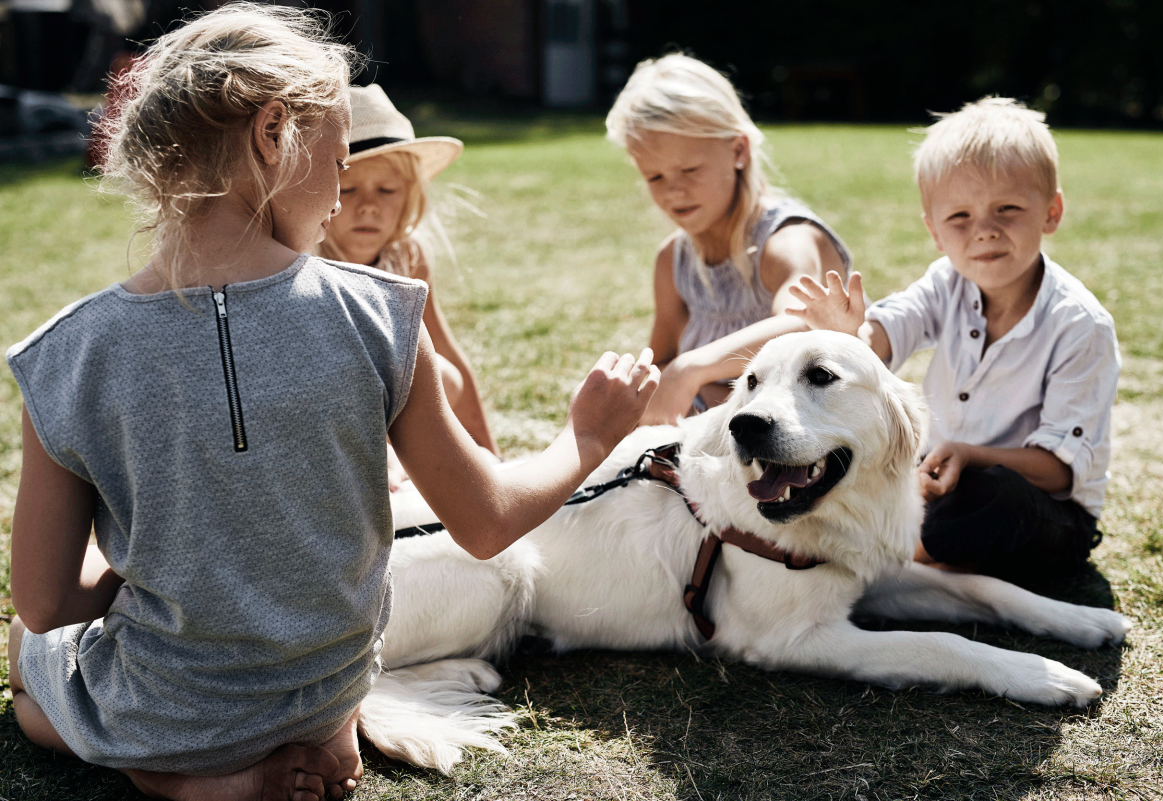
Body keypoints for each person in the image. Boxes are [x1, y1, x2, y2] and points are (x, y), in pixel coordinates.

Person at [4, 5, 658, 801]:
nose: (339, 198)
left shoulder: (67, 352)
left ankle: (186, 780)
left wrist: (138, 557)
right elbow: (486, 522)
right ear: (273, 132)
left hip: (169, 707)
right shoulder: (382, 312)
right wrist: (586, 439)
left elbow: (43, 602)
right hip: (327, 691)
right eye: (339, 166)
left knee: (26, 666)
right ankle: (320, 746)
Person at [788, 96, 1120, 588]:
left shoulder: (1079, 324)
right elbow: (890, 330)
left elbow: (1058, 472)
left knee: (993, 495)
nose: (984, 231)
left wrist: (969, 454)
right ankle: (933, 557)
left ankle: (903, 562)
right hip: (944, 483)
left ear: (1051, 212)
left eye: (1007, 209)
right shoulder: (946, 283)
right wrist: (851, 332)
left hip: (1041, 513)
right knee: (868, 459)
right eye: (959, 217)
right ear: (935, 232)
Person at [605, 53, 853, 423]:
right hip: (714, 430)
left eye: (689, 170)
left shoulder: (785, 240)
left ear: (738, 150)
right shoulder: (673, 259)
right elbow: (660, 361)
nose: (673, 192)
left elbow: (806, 321)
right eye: (654, 178)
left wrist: (694, 368)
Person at [318, 85, 497, 490]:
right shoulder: (309, 260)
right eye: (348, 189)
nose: (368, 206)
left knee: (445, 377)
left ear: (409, 195)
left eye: (387, 190)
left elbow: (444, 350)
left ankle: (401, 463)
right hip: (330, 410)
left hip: (393, 403)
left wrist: (489, 451)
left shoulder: (408, 257)